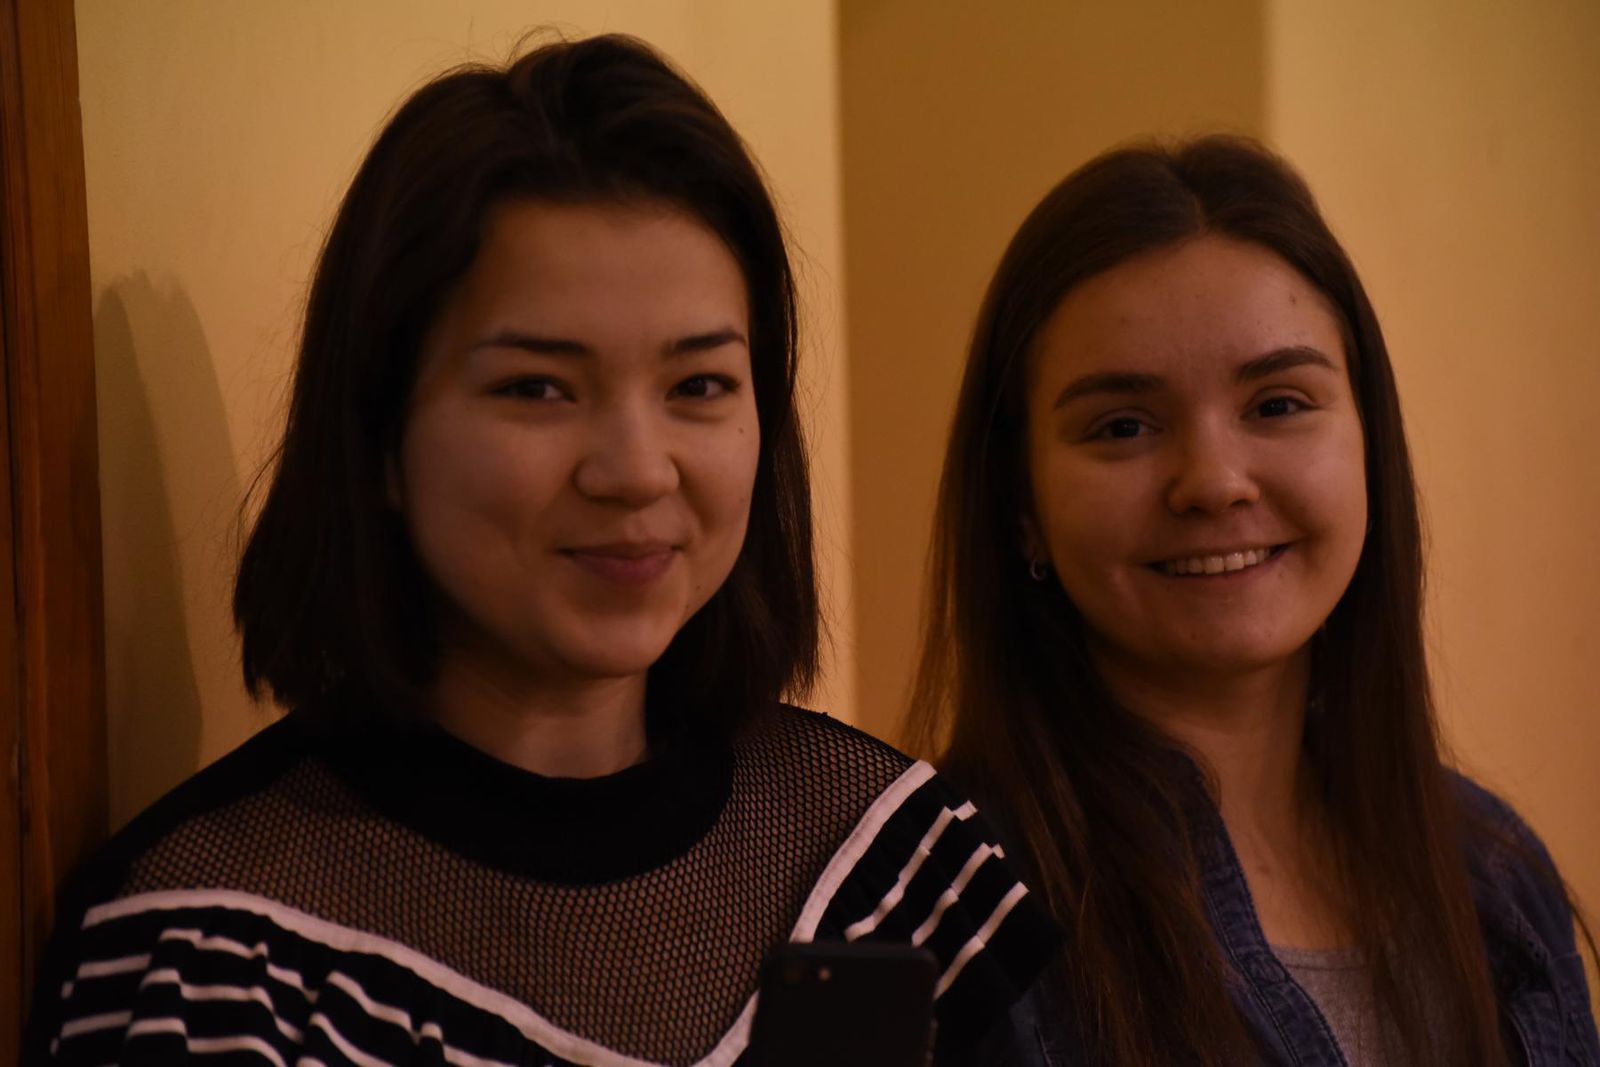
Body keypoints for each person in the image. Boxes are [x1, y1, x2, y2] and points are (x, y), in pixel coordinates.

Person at [27, 34, 1052, 1066]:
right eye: (538, 388)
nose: (636, 470)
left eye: (698, 385)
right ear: (378, 437)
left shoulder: (885, 865)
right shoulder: (218, 957)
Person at [908, 135, 1599, 1066]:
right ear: (1021, 506)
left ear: (1369, 442)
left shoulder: (1496, 877)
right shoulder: (948, 912)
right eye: (1123, 426)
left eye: (1277, 404)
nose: (1214, 481)